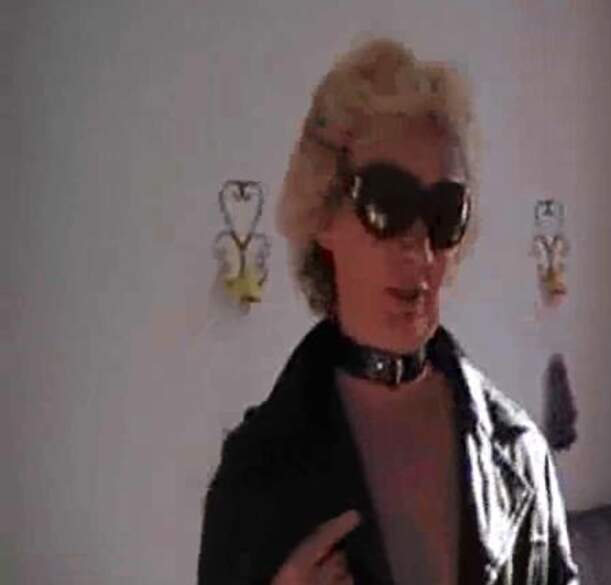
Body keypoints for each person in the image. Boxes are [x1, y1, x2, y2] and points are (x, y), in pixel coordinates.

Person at [197, 37, 581, 585]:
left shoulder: (519, 454)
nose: (419, 250)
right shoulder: (256, 472)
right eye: (387, 205)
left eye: (444, 212)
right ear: (323, 214)